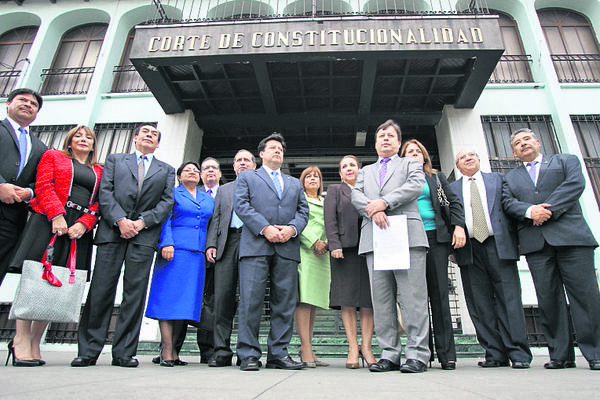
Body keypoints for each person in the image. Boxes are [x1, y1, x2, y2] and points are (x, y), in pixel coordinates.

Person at [71, 123, 175, 368]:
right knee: (100, 290)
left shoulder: (166, 170)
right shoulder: (116, 160)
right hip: (112, 232)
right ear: (135, 138)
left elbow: (166, 201)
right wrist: (120, 220)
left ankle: (124, 352)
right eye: (145, 132)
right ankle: (88, 350)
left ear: (158, 143)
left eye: (155, 135)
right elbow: (104, 192)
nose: (150, 136)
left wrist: (140, 223)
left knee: (134, 295)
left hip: (144, 236)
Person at [502, 128, 600, 371]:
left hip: (572, 239)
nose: (523, 144)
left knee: (585, 298)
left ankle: (595, 352)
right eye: (517, 143)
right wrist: (528, 211)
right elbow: (507, 202)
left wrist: (545, 211)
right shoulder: (510, 177)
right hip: (537, 244)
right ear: (514, 152)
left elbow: (575, 185)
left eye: (526, 139)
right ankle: (560, 354)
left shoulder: (565, 161)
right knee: (548, 300)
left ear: (537, 142)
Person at [7, 125, 102, 367]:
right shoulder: (53, 156)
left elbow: (100, 203)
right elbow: (43, 186)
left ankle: (36, 342)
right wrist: (56, 215)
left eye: (88, 137)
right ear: (69, 142)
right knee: (35, 278)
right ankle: (20, 339)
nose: (83, 140)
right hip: (48, 222)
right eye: (78, 136)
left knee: (57, 284)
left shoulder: (99, 170)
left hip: (77, 231)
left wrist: (84, 224)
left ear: (93, 145)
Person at [351, 119, 430, 373]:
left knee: (412, 298)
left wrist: (384, 202)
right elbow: (356, 196)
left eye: (390, 136)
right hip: (376, 237)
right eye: (381, 136)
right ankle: (389, 353)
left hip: (407, 235)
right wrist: (373, 211)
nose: (385, 139)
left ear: (398, 142)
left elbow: (414, 187)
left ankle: (417, 354)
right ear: (375, 143)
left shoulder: (411, 163)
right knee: (382, 299)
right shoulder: (365, 172)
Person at [449, 148, 532, 369]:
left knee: (509, 299)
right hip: (469, 248)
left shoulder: (499, 179)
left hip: (499, 245)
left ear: (478, 160)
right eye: (462, 158)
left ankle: (519, 353)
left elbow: (510, 207)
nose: (468, 158)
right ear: (457, 165)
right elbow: (448, 218)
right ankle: (494, 353)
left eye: (472, 155)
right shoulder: (451, 189)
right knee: (479, 303)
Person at [233, 133, 309, 371]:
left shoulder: (294, 183)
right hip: (256, 246)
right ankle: (248, 353)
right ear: (262, 154)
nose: (277, 151)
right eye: (272, 148)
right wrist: (264, 228)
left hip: (287, 247)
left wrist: (292, 229)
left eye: (280, 149)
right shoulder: (247, 176)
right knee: (251, 300)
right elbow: (241, 205)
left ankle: (278, 353)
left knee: (284, 303)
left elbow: (303, 211)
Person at [400, 139, 466, 370]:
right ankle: (421, 354)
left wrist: (458, 226)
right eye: (410, 152)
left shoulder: (436, 178)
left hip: (435, 239)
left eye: (418, 151)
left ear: (425, 157)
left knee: (440, 296)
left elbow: (454, 203)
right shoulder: (399, 179)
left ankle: (447, 354)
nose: (415, 154)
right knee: (416, 300)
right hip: (409, 241)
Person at [145, 162, 214, 367]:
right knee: (168, 300)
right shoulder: (173, 194)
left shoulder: (207, 198)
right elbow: (164, 220)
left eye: (195, 170)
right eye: (187, 170)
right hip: (174, 251)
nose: (192, 173)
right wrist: (166, 242)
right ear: (179, 176)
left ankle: (174, 348)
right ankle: (166, 348)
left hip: (197, 254)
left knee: (184, 303)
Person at [324, 155, 376, 369]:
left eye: (352, 165)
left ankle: (367, 347)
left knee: (367, 300)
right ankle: (352, 347)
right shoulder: (336, 190)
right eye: (344, 166)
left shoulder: (369, 189)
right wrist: (334, 244)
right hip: (343, 251)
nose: (348, 168)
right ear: (340, 172)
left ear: (359, 169)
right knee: (347, 299)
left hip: (369, 248)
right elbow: (330, 219)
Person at [168, 156, 221, 365]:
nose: (209, 171)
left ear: (219, 173)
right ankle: (172, 348)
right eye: (205, 168)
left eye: (213, 168)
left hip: (214, 256)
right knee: (182, 296)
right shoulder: (189, 195)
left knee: (210, 302)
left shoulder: (224, 195)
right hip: (189, 252)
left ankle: (207, 351)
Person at [205, 149, 256, 367]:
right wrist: (211, 244)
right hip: (227, 244)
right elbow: (216, 218)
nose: (242, 163)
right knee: (222, 298)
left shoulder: (261, 186)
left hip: (253, 242)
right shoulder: (224, 190)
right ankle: (221, 351)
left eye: (246, 160)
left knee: (249, 297)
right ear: (234, 167)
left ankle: (247, 352)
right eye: (238, 160)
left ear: (254, 165)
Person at [0, 88, 47, 286]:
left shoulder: (40, 146)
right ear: (8, 104)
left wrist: (29, 192)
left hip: (12, 220)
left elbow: (42, 181)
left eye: (34, 104)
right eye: (23, 100)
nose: (28, 104)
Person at [295, 166, 331, 368]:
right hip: (306, 251)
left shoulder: (326, 202)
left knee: (314, 302)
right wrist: (314, 241)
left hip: (322, 254)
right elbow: (299, 223)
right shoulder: (299, 199)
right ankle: (305, 348)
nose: (313, 178)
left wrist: (325, 244)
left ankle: (307, 347)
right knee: (304, 301)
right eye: (308, 176)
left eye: (316, 176)